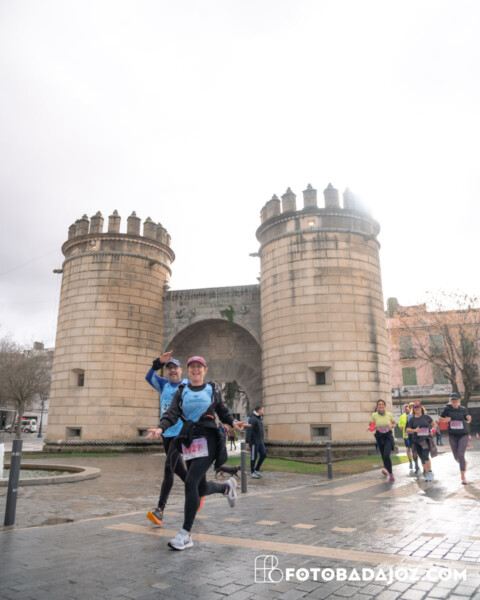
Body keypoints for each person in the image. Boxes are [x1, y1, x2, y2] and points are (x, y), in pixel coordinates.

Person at [146, 356, 249, 551]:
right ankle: (226, 488)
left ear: (204, 370)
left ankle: (185, 534)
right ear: (188, 370)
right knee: (199, 488)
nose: (195, 369)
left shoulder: (211, 389)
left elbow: (222, 410)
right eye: (192, 366)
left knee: (190, 482)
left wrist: (233, 422)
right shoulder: (182, 390)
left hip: (208, 439)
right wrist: (161, 428)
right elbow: (171, 414)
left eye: (199, 367)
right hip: (189, 441)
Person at [145, 351, 189, 527]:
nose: (172, 371)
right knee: (179, 470)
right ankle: (200, 489)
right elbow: (149, 377)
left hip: (180, 433)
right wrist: (158, 363)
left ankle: (160, 510)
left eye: (175, 368)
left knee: (168, 468)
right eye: (169, 368)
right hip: (165, 432)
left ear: (181, 370)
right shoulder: (163, 384)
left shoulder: (187, 385)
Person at [439, 393, 472, 485]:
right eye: (452, 400)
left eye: (455, 400)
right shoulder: (447, 409)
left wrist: (469, 418)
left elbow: (467, 418)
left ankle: (463, 477)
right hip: (452, 435)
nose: (454, 402)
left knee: (461, 454)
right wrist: (446, 420)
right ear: (450, 401)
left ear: (458, 401)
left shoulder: (463, 409)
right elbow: (440, 418)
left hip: (463, 434)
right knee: (456, 457)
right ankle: (464, 463)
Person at [407, 401, 437, 482]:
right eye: (415, 408)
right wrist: (414, 430)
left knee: (425, 456)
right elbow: (408, 430)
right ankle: (427, 473)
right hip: (416, 441)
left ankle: (430, 472)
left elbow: (434, 424)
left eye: (418, 407)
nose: (417, 409)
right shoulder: (412, 419)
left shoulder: (426, 417)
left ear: (421, 408)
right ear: (413, 409)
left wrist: (433, 430)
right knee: (422, 458)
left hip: (426, 439)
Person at [368, 399, 396, 482]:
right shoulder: (374, 415)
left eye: (382, 404)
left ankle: (391, 474)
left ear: (385, 406)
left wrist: (392, 426)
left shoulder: (389, 414)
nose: (381, 406)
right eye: (379, 404)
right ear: (377, 406)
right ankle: (388, 471)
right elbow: (370, 424)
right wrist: (370, 427)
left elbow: (394, 423)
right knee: (384, 456)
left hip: (388, 436)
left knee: (386, 455)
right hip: (380, 437)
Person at [246, 406, 267, 478]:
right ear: (259, 410)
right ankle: (252, 472)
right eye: (263, 410)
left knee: (263, 455)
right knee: (253, 457)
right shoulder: (253, 419)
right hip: (254, 442)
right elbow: (249, 430)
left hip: (260, 441)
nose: (263, 411)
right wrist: (247, 441)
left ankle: (257, 469)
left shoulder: (259, 418)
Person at [397, 403, 414, 470]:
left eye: (407, 407)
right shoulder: (402, 416)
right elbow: (399, 424)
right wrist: (400, 426)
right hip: (406, 435)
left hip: (413, 434)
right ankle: (410, 461)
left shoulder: (412, 415)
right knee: (407, 448)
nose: (406, 409)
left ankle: (416, 461)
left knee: (414, 448)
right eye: (405, 408)